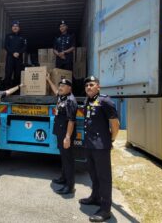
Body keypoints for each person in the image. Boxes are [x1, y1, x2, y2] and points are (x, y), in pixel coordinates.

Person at [79, 76, 120, 222]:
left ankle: (105, 209)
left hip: (101, 146)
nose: (88, 87)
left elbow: (115, 124)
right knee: (93, 174)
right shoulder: (87, 100)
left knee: (104, 177)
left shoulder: (105, 101)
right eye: (86, 86)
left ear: (98, 86)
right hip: (89, 145)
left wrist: (111, 139)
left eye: (91, 84)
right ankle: (95, 197)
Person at [46, 75, 78, 195]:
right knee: (64, 158)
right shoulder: (62, 97)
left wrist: (67, 137)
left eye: (63, 86)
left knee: (68, 159)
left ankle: (70, 186)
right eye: (60, 85)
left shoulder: (70, 101)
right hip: (61, 132)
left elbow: (71, 120)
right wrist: (49, 80)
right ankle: (64, 178)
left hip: (66, 135)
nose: (60, 87)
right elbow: (55, 91)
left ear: (69, 88)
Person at [4, 20, 27, 89]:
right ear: (12, 27)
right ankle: (6, 90)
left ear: (19, 28)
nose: (15, 27)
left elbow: (25, 47)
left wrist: (19, 53)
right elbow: (6, 46)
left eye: (16, 26)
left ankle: (16, 90)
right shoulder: (8, 36)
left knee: (17, 74)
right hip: (10, 58)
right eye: (13, 26)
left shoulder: (23, 37)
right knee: (8, 73)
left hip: (19, 58)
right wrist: (13, 53)